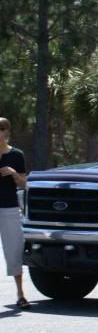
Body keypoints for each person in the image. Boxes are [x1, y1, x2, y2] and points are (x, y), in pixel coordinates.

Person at [0, 117, 29, 309]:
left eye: (1, 129)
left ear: (7, 132)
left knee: (14, 250)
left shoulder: (16, 155)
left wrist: (13, 173)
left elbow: (25, 184)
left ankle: (20, 294)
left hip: (9, 207)